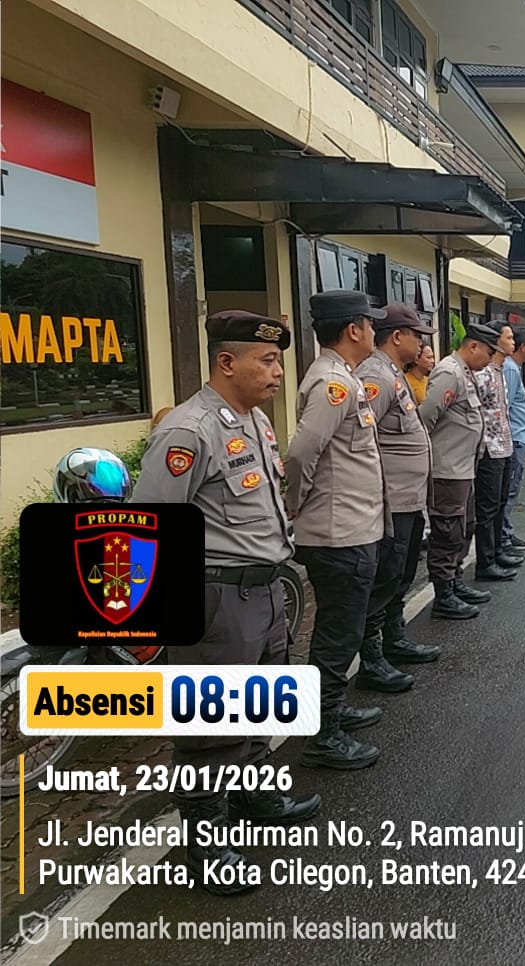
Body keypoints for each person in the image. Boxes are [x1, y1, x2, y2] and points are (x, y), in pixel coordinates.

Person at [133, 310, 320, 894]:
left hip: (264, 589)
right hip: (215, 598)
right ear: (226, 362)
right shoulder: (188, 432)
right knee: (211, 727)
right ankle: (207, 846)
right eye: (267, 361)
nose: (277, 373)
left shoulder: (253, 421)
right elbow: (148, 527)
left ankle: (255, 799)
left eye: (277, 362)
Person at [284, 290, 386, 771]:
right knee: (336, 637)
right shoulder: (332, 384)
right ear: (353, 329)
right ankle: (322, 734)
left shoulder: (343, 377)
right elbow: (301, 453)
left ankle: (332, 709)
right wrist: (296, 507)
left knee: (340, 631)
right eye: (370, 324)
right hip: (337, 532)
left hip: (352, 528)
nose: (374, 332)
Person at [355, 302, 440, 690]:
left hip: (409, 498)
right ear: (397, 336)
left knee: (400, 574)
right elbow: (362, 438)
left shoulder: (394, 373)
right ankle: (371, 659)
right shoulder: (375, 376)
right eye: (417, 336)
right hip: (392, 500)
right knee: (385, 576)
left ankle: (394, 639)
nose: (422, 344)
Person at [420, 321, 497, 618]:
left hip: (464, 468)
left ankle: (454, 581)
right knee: (447, 532)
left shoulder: (465, 372)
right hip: (447, 469)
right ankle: (443, 595)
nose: (490, 360)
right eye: (488, 352)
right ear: (473, 346)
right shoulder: (449, 373)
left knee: (464, 527)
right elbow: (426, 418)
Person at [473, 322, 523, 581]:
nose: (513, 342)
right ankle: (485, 561)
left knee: (501, 502)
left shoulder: (501, 371)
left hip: (504, 445)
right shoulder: (482, 374)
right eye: (508, 337)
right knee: (487, 508)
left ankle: (497, 551)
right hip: (488, 450)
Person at [502, 326, 525, 555]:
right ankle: (503, 538)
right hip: (514, 437)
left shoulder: (513, 368)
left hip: (519, 435)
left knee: (511, 490)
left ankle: (506, 532)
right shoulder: (510, 370)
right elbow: (505, 406)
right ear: (523, 347)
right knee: (509, 491)